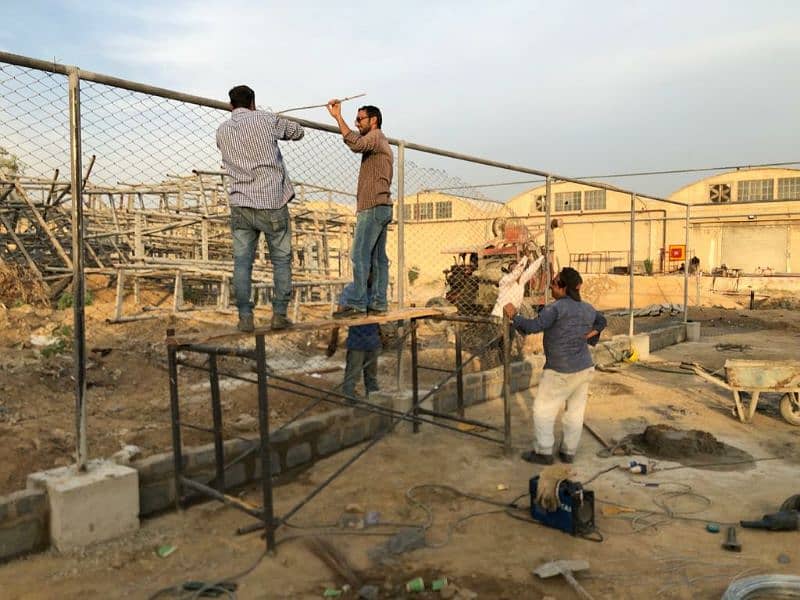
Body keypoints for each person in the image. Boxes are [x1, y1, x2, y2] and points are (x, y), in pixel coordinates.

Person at [216, 85, 305, 332]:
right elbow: (298, 132)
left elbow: (224, 151)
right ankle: (279, 315)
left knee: (242, 263)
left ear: (230, 105)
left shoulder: (222, 130)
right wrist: (277, 121)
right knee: (281, 260)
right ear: (253, 102)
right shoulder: (266, 119)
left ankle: (245, 318)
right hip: (272, 201)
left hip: (241, 203)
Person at [503, 267, 607, 465]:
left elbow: (533, 327)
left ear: (564, 288)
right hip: (584, 367)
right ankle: (568, 452)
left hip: (560, 370)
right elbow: (602, 321)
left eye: (554, 283)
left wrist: (513, 316)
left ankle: (543, 452)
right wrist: (588, 335)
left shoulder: (556, 308)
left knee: (543, 410)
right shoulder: (587, 308)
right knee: (575, 412)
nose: (551, 285)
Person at [326, 100, 393, 318]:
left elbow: (356, 144)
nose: (357, 123)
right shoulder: (380, 142)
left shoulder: (374, 137)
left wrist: (338, 118)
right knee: (377, 258)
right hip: (381, 206)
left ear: (373, 120)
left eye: (360, 119)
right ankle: (378, 303)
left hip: (372, 206)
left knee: (359, 254)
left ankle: (356, 304)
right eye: (356, 119)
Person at [327, 283, 381, 401]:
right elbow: (339, 316)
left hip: (372, 340)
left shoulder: (374, 290)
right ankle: (349, 402)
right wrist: (334, 340)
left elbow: (378, 315)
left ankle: (374, 404)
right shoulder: (351, 290)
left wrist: (380, 335)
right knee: (352, 377)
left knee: (371, 378)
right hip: (357, 341)